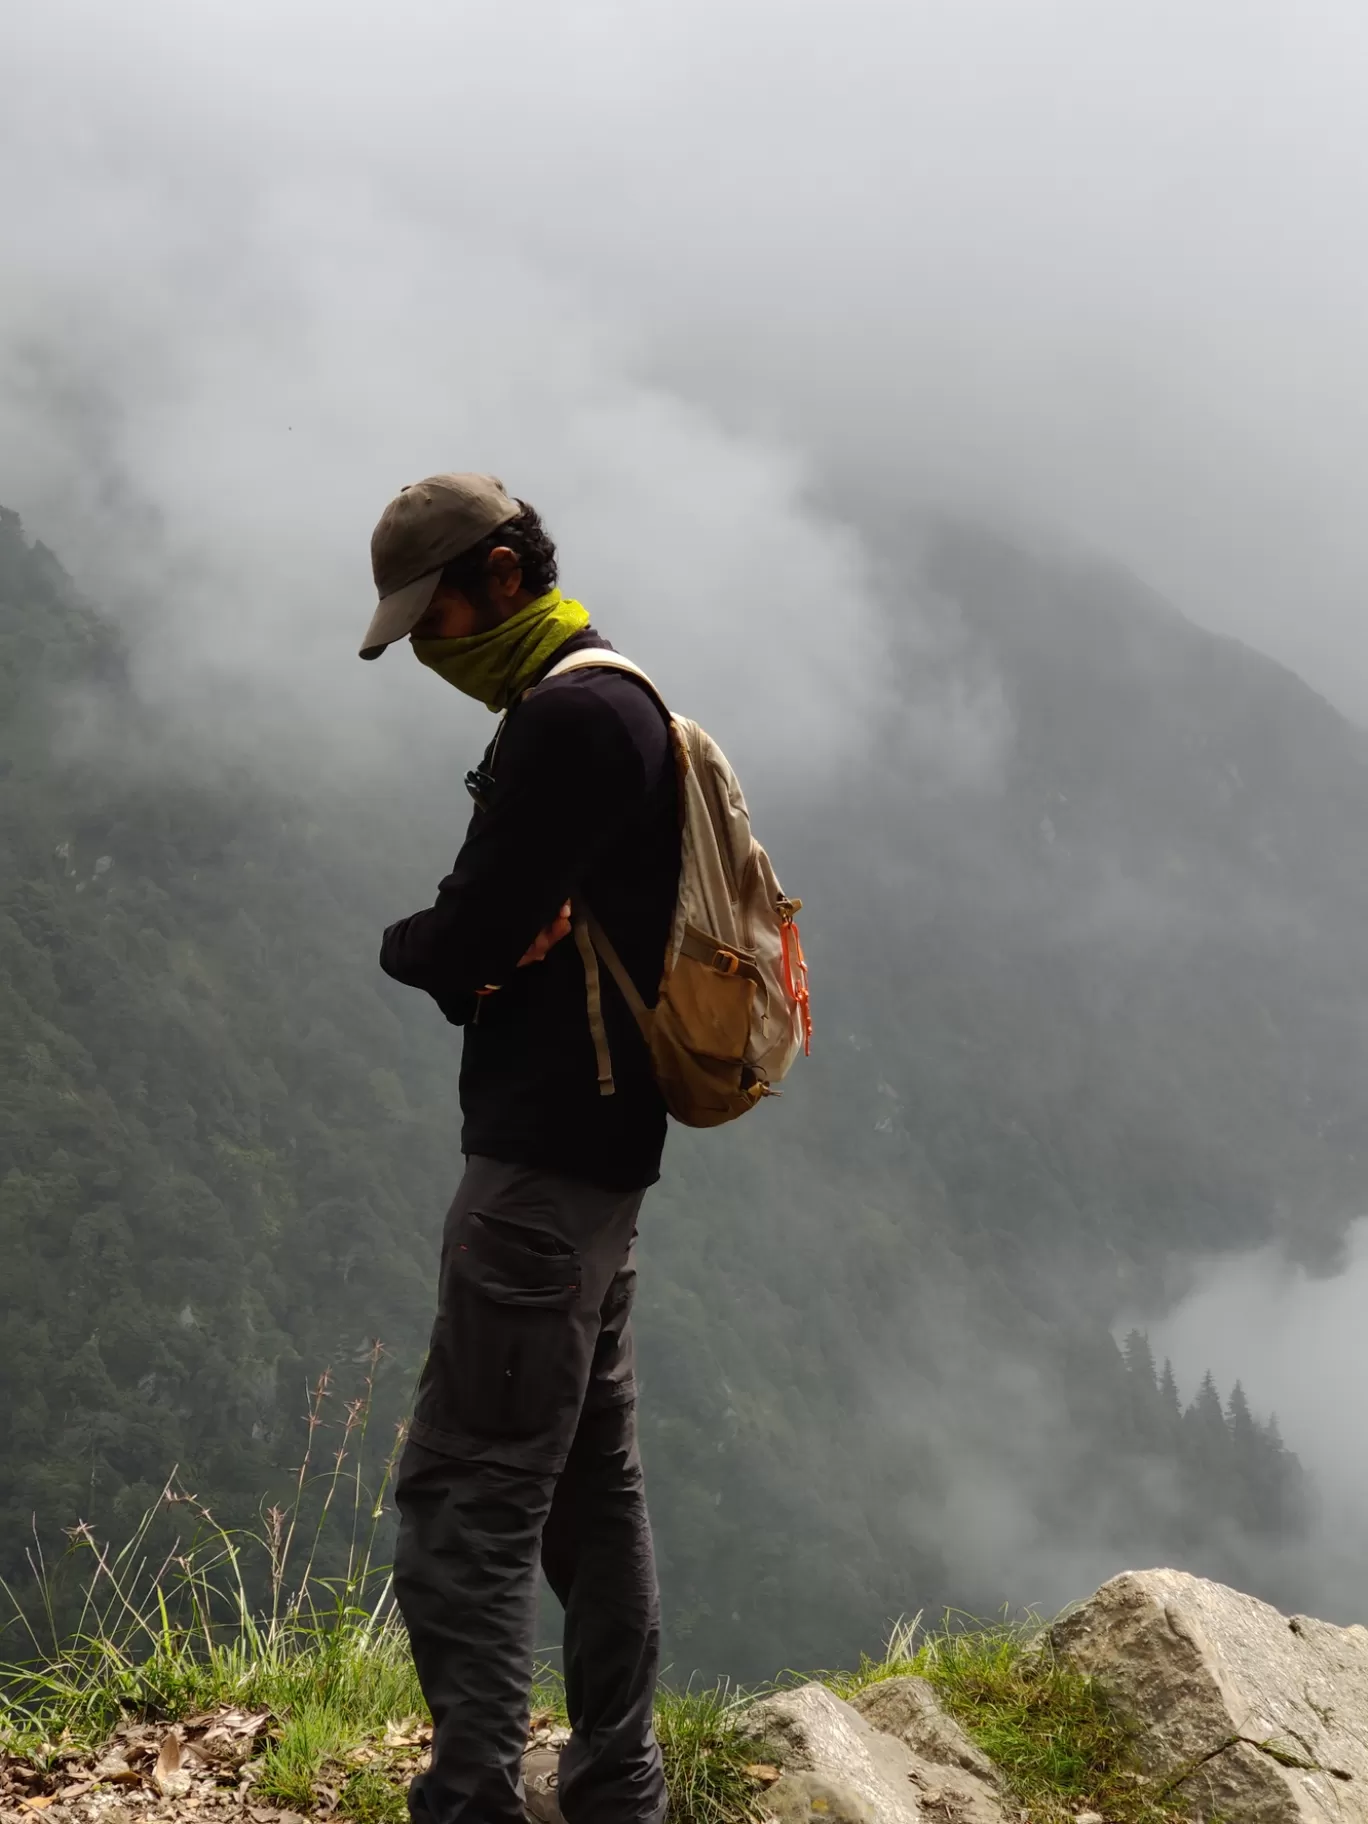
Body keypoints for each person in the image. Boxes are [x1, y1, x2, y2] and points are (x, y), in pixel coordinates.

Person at [358, 474, 679, 1824]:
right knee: (584, 1489)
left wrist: (421, 948)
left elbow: (471, 932)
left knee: (468, 1497)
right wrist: (482, 942)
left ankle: (473, 1800)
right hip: (602, 1163)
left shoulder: (567, 723)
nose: (429, 647)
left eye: (434, 616)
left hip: (539, 1172)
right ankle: (617, 1781)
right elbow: (507, 926)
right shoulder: (627, 694)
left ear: (498, 578)